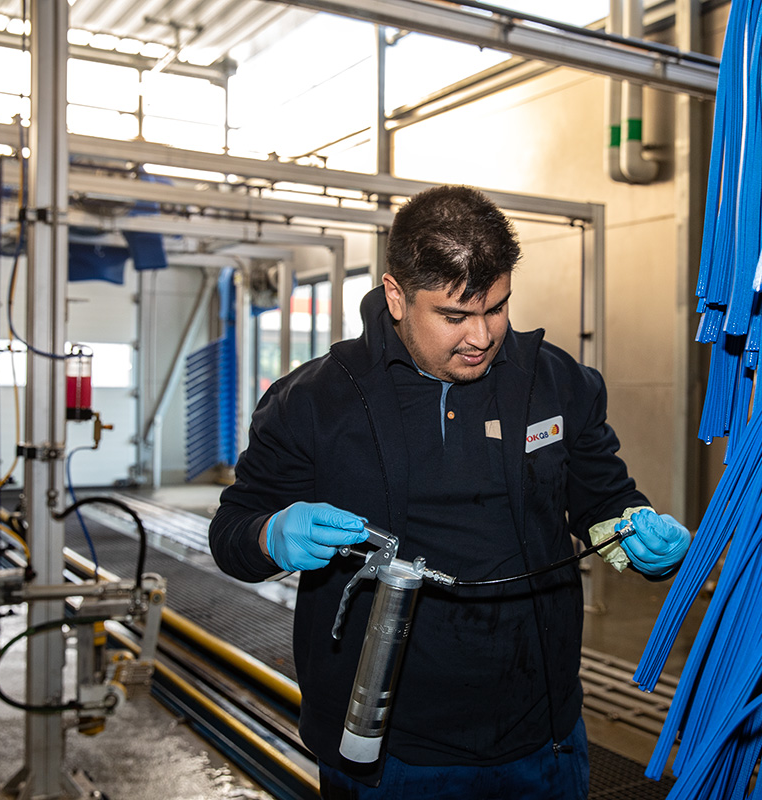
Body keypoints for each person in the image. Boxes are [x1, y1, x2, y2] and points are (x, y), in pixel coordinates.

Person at [209, 185, 691, 799]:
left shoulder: (557, 382)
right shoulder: (314, 402)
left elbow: (604, 498)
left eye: (497, 307)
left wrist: (635, 527)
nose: (482, 336)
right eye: (455, 316)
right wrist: (271, 533)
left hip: (542, 735)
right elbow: (231, 535)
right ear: (395, 296)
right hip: (388, 752)